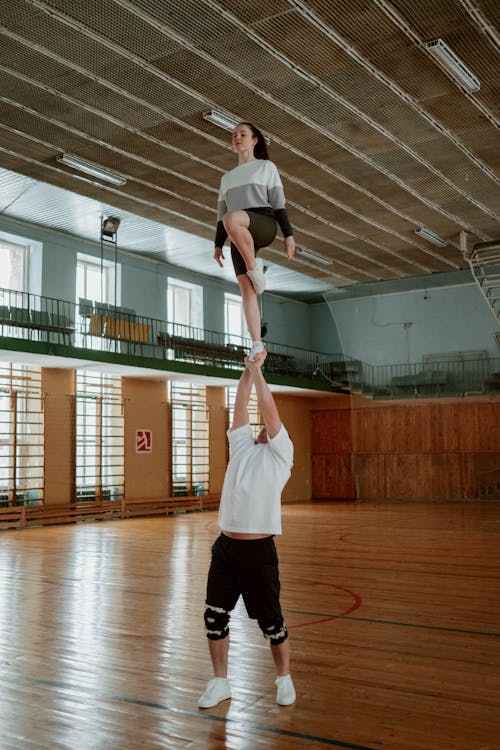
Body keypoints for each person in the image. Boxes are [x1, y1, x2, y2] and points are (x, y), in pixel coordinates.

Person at [198, 351, 296, 709]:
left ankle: (283, 678)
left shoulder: (281, 454)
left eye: (267, 429)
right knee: (214, 616)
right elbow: (240, 407)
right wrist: (245, 372)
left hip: (258, 552)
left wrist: (258, 372)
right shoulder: (241, 448)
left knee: (271, 623)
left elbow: (270, 413)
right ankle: (219, 681)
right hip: (225, 548)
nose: (260, 428)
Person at [214, 122, 295, 361]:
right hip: (238, 232)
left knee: (233, 218)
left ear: (254, 140)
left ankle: (253, 266)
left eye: (243, 134)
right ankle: (257, 344)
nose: (237, 137)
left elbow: (279, 204)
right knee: (246, 290)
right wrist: (217, 245)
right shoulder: (226, 178)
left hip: (263, 223)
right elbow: (220, 218)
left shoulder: (266, 167)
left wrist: (288, 235)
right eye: (234, 135)